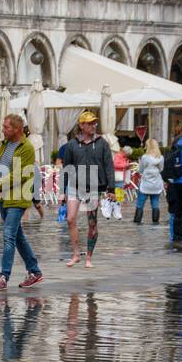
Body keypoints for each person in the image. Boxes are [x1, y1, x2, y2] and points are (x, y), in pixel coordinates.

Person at [0, 114, 44, 291]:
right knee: (18, 236)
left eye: (6, 127)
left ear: (18, 129)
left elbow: (21, 174)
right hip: (5, 196)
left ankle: (3, 276)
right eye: (3, 127)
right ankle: (34, 271)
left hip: (18, 197)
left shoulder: (26, 147)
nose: (3, 130)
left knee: (8, 235)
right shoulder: (4, 144)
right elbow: (1, 164)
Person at [58, 110, 113, 267]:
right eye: (89, 123)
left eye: (94, 123)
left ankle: (89, 257)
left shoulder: (102, 143)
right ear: (81, 125)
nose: (93, 126)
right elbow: (66, 168)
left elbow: (109, 166)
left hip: (94, 186)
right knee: (70, 219)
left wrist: (111, 189)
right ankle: (76, 254)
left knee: (92, 223)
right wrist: (62, 191)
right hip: (75, 185)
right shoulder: (71, 145)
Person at [135, 138, 163, 224]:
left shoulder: (145, 157)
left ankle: (137, 220)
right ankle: (155, 221)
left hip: (146, 184)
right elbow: (161, 169)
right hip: (156, 183)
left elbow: (141, 169)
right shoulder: (161, 158)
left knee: (140, 203)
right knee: (155, 203)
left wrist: (138, 171)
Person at [109, 145, 132, 219]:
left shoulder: (123, 157)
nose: (128, 156)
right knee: (118, 193)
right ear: (125, 152)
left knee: (120, 193)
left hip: (121, 177)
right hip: (117, 177)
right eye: (128, 154)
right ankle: (115, 209)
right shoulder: (118, 156)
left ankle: (117, 209)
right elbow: (115, 165)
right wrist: (125, 165)